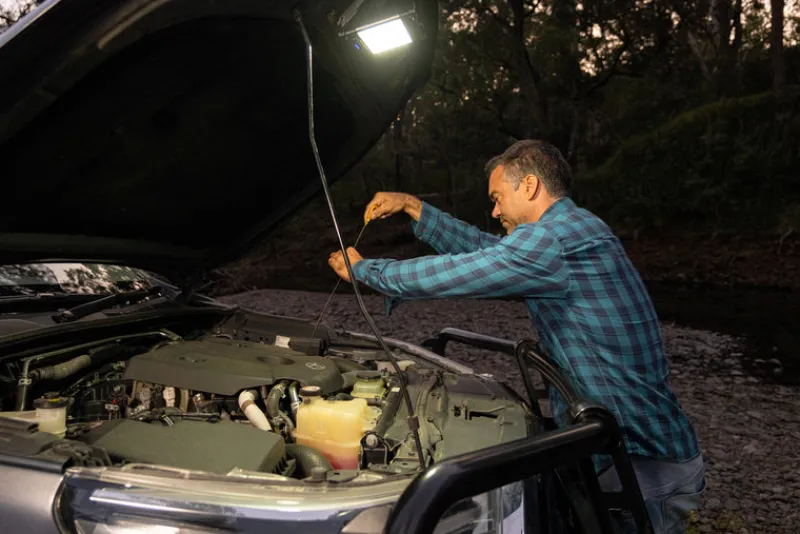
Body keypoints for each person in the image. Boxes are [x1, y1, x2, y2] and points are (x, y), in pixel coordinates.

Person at [327, 139, 705, 533]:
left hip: (642, 464)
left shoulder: (554, 240)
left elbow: (462, 272)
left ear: (529, 186)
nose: (494, 211)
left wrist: (368, 270)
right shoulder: (572, 229)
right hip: (625, 449)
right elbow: (486, 251)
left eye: (497, 198)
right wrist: (412, 206)